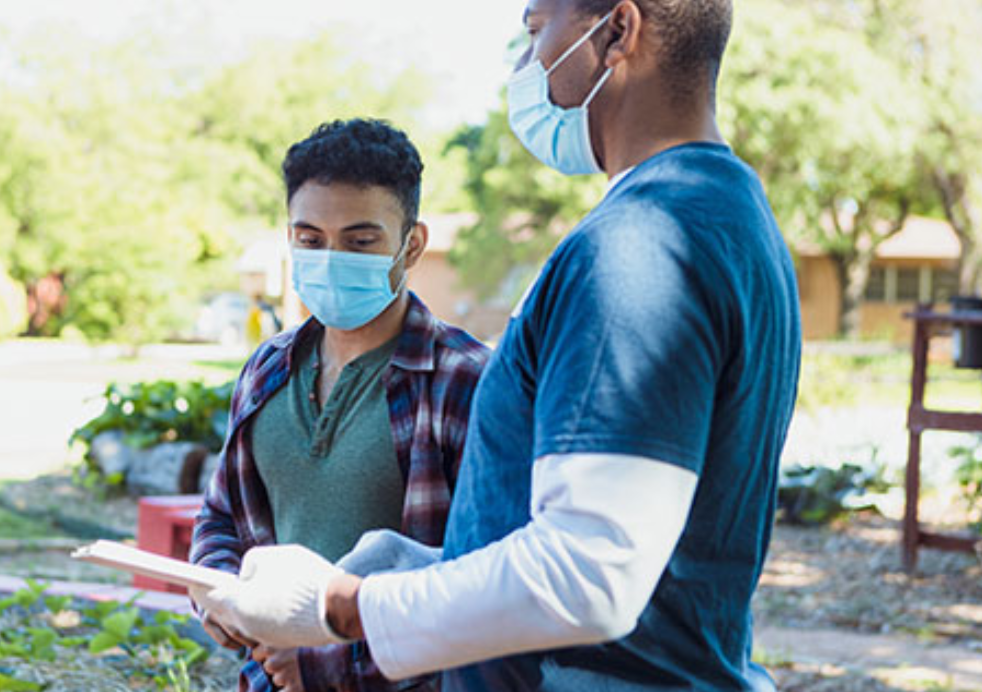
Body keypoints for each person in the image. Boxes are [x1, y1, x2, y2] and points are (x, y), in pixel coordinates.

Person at [190, 1, 803, 691]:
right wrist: (412, 568)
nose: (523, 65)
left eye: (536, 30)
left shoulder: (637, 249)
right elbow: (639, 552)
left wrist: (342, 609)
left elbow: (589, 573)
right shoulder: (729, 218)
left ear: (618, 32)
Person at [190, 118, 492, 691]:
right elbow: (222, 515)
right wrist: (216, 589)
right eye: (310, 239)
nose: (330, 259)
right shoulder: (265, 371)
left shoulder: (467, 381)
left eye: (359, 242)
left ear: (412, 244)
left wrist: (335, 663)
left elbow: (487, 584)